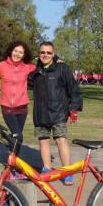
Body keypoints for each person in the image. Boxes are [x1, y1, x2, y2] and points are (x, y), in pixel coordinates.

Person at [30, 41, 82, 185]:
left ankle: (67, 171)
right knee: (43, 141)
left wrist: (74, 109)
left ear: (53, 54)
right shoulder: (35, 71)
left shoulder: (62, 68)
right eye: (42, 52)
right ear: (38, 54)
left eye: (48, 52)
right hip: (40, 113)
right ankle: (46, 169)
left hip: (58, 112)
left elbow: (74, 89)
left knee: (61, 140)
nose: (45, 55)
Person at [0, 41, 36, 154]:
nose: (17, 54)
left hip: (22, 107)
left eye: (21, 52)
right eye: (15, 51)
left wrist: (57, 59)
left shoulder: (28, 67)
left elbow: (44, 65)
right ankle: (11, 166)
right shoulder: (1, 65)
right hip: (7, 107)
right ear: (11, 51)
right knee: (18, 136)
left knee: (17, 137)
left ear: (24, 55)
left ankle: (12, 164)